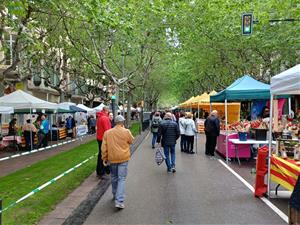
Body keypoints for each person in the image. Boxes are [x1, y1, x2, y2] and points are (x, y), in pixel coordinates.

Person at [102, 115, 134, 209]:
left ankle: (115, 194)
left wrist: (105, 158)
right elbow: (131, 141)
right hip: (123, 158)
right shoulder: (126, 131)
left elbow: (104, 148)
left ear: (115, 122)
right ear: (122, 122)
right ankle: (119, 200)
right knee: (121, 179)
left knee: (114, 177)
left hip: (112, 158)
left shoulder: (107, 133)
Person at [96, 106, 111, 177]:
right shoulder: (105, 118)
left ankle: (100, 170)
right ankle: (102, 171)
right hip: (103, 138)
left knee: (100, 154)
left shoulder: (100, 117)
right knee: (103, 155)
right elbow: (107, 130)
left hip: (99, 137)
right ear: (106, 111)